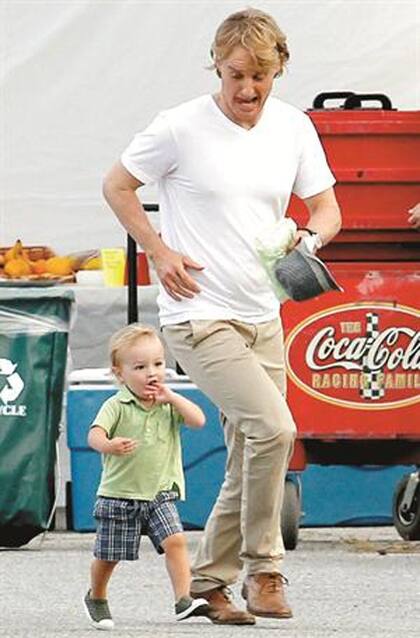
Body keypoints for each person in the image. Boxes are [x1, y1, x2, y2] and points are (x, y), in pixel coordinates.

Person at [103, 8, 341, 625]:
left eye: (260, 76)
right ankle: (264, 570)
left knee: (250, 450)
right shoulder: (179, 126)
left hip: (264, 312)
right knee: (274, 430)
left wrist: (306, 240)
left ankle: (209, 583)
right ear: (217, 65)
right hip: (198, 314)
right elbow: (117, 185)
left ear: (278, 69)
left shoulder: (293, 128)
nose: (247, 90)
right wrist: (157, 249)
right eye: (236, 74)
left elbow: (327, 209)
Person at [83, 324, 209, 630]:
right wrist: (109, 445)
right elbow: (94, 434)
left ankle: (183, 598)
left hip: (159, 493)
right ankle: (96, 596)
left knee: (176, 541)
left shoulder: (168, 404)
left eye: (158, 364)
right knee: (109, 555)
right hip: (120, 494)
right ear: (119, 373)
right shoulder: (116, 405)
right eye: (140, 367)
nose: (152, 373)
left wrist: (173, 398)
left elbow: (198, 421)